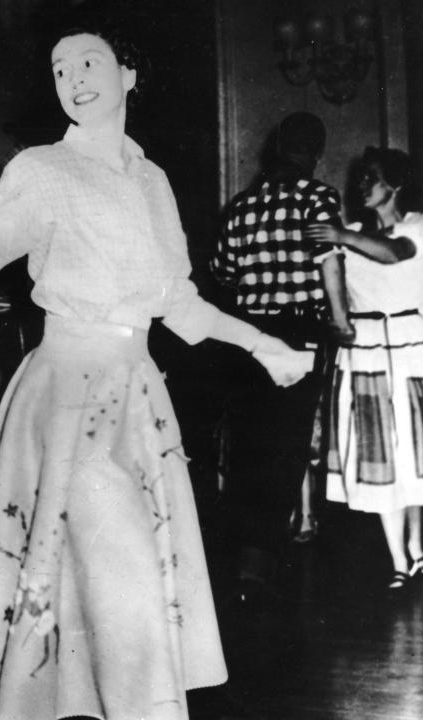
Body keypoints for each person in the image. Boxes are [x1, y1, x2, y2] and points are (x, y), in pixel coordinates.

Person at [0, 17, 313, 720]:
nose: (74, 80)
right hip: (66, 396)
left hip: (135, 397)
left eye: (88, 63)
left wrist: (265, 345)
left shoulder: (153, 181)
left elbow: (182, 306)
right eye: (60, 70)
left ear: (129, 75)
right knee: (122, 585)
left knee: (96, 602)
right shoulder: (41, 171)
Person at [211, 111, 341, 603]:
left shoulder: (242, 205)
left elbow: (222, 272)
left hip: (250, 334)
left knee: (248, 446)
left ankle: (246, 557)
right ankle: (259, 564)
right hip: (302, 331)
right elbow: (331, 269)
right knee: (286, 447)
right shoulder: (319, 198)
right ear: (313, 154)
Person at [306, 147, 423, 590]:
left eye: (370, 177)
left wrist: (340, 235)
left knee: (414, 459)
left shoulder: (416, 227)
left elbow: (395, 253)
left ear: (394, 185)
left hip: (413, 351)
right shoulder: (348, 234)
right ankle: (398, 558)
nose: (361, 185)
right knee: (382, 458)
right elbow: (330, 269)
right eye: (359, 178)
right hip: (366, 355)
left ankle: (416, 547)